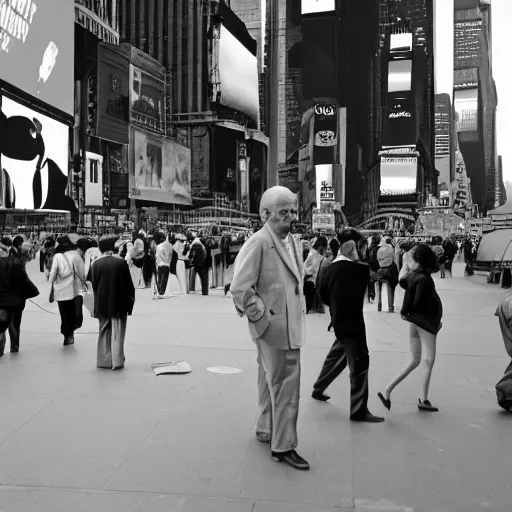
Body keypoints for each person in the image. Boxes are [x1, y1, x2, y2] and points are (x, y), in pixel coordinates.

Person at [230, 185, 309, 470]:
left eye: (293, 211)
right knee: (287, 386)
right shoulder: (260, 242)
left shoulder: (292, 241)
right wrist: (262, 318)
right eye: (283, 212)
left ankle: (266, 428)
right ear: (265, 213)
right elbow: (240, 288)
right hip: (275, 328)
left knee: (268, 379)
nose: (291, 217)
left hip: (287, 325)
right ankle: (283, 446)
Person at [312, 228, 384, 423]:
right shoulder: (358, 270)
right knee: (359, 363)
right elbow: (367, 284)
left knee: (339, 352)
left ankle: (319, 387)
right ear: (354, 247)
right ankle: (359, 410)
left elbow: (324, 295)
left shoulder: (329, 268)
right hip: (353, 322)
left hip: (338, 320)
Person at [378, 244, 442, 413]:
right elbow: (419, 303)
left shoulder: (411, 277)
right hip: (425, 323)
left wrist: (405, 266)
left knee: (414, 360)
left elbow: (402, 282)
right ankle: (423, 399)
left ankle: (388, 390)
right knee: (428, 360)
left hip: (414, 323)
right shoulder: (424, 279)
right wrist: (436, 321)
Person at [91, 236, 135, 371]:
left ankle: (103, 360)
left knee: (104, 330)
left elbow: (93, 285)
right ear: (112, 248)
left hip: (102, 302)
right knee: (117, 332)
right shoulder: (121, 263)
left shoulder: (96, 264)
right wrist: (130, 303)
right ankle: (117, 360)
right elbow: (129, 285)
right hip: (119, 302)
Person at [48, 235, 87, 346]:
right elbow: (82, 274)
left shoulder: (57, 256)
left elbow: (53, 275)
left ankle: (67, 334)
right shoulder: (76, 256)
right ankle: (70, 333)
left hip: (61, 291)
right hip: (75, 291)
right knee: (75, 314)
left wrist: (52, 291)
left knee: (64, 314)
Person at [0, 252, 39, 355]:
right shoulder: (16, 263)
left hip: (2, 300)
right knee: (15, 323)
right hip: (16, 300)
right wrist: (31, 292)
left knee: (1, 323)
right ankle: (14, 346)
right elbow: (24, 281)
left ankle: (1, 347)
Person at [303, 236, 328, 313]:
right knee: (309, 297)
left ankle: (310, 308)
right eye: (324, 247)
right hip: (310, 279)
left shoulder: (313, 252)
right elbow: (316, 268)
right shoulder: (314, 253)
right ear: (321, 246)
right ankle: (310, 309)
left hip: (308, 278)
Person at [376, 237, 398, 313]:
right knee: (391, 286)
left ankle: (379, 305)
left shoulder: (379, 250)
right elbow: (393, 262)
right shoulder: (391, 250)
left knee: (379, 288)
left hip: (379, 272)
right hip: (388, 273)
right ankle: (390, 306)